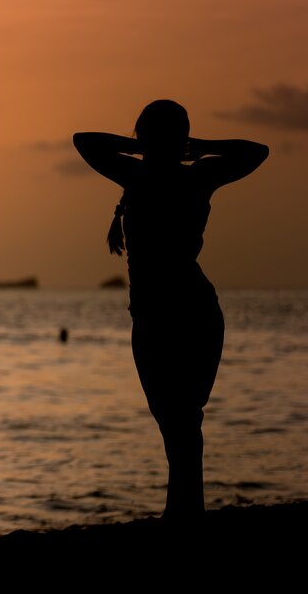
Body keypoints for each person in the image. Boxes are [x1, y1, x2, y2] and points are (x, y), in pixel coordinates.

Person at [73, 100, 268, 523]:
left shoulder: (178, 176)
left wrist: (188, 146)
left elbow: (258, 151)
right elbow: (82, 141)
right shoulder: (156, 175)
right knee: (176, 418)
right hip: (160, 312)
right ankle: (184, 510)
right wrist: (169, 147)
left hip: (183, 310)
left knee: (180, 418)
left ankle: (183, 514)